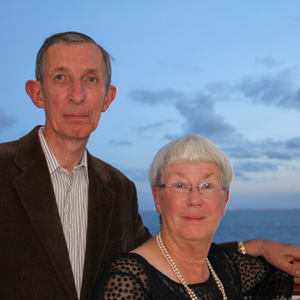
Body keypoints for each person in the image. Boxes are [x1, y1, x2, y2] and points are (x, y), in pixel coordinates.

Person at [0, 32, 299, 300]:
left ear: (108, 97)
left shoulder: (117, 188)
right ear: (36, 92)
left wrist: (253, 247)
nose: (77, 95)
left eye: (90, 80)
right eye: (61, 78)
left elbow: (170, 257)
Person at [93, 135, 300, 299]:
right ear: (158, 198)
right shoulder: (128, 280)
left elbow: (280, 275)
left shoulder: (225, 267)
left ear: (225, 200)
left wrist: (262, 246)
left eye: (207, 186)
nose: (195, 199)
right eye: (180, 185)